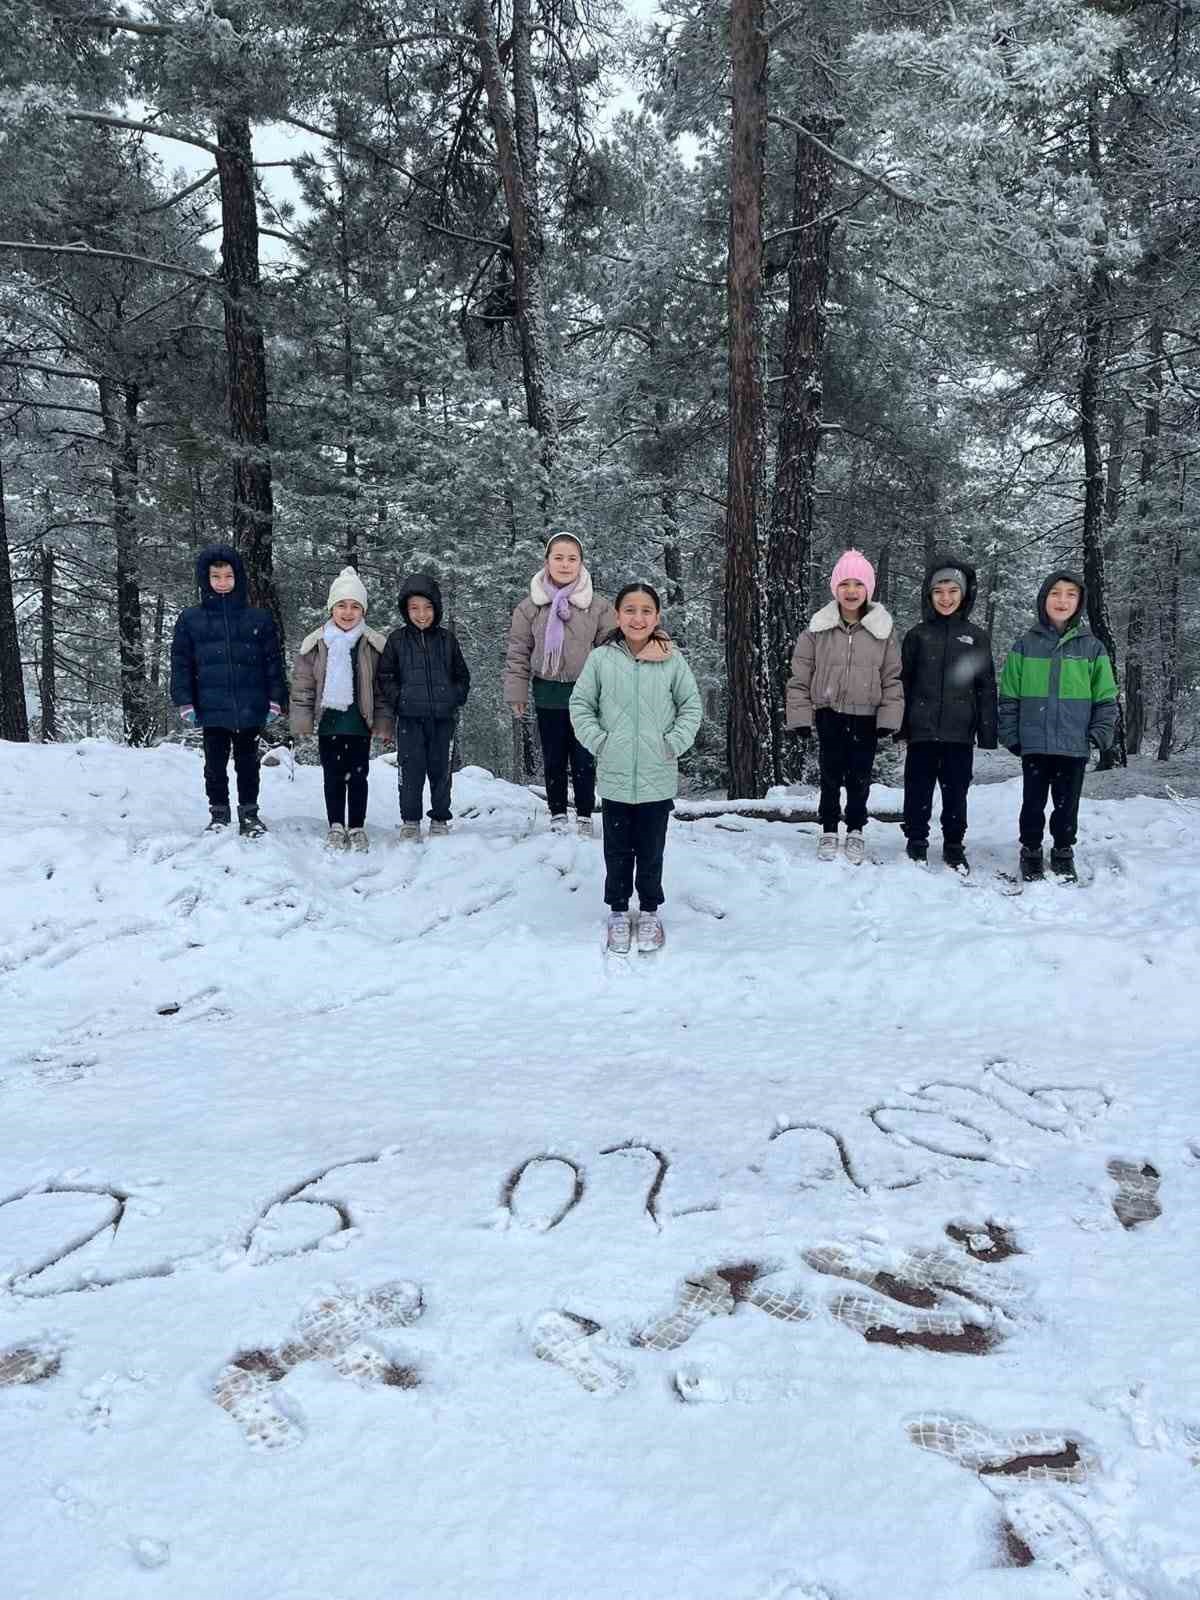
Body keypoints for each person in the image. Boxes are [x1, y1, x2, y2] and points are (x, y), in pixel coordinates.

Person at [569, 582, 701, 954]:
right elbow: (581, 706)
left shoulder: (672, 660)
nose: (638, 617)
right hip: (614, 777)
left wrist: (672, 743)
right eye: (630, 610)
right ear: (617, 616)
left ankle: (648, 910)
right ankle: (616, 909)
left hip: (658, 779)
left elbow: (691, 706)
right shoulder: (601, 659)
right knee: (617, 850)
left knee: (651, 849)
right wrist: (601, 741)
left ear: (657, 617)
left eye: (646, 610)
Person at [998, 568, 1117, 882]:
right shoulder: (1025, 645)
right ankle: (1031, 850)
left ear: (1079, 602)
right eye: (1055, 593)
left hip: (1073, 743)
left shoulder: (1092, 648)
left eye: (1070, 594)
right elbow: (1008, 695)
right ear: (1044, 599)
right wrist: (1010, 733)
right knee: (1033, 804)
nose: (1062, 600)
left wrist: (1098, 735)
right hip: (1034, 743)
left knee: (1067, 807)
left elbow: (1106, 697)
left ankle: (1063, 850)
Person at [785, 550, 903, 864]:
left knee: (859, 777)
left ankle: (855, 829)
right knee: (830, 774)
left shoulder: (883, 631)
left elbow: (892, 677)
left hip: (866, 715)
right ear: (835, 588)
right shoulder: (817, 629)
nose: (851, 591)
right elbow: (800, 676)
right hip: (829, 713)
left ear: (869, 589)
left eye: (858, 584)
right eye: (845, 583)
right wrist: (800, 716)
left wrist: (890, 717)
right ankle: (827, 827)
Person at [503, 533, 617, 837]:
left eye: (572, 558)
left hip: (586, 695)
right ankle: (556, 812)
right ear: (547, 562)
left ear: (581, 563)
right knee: (553, 756)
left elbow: (612, 651)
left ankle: (583, 814)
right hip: (547, 692)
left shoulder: (598, 606)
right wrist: (517, 692)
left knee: (583, 756)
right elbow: (518, 651)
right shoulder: (530, 607)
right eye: (559, 558)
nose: (565, 564)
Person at [170, 543, 286, 837]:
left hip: (250, 706)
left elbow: (273, 662)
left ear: (239, 578)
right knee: (215, 766)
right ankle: (218, 813)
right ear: (205, 579)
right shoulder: (191, 620)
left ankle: (249, 813)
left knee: (248, 765)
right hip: (211, 708)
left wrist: (275, 700)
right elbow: (181, 663)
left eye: (228, 576)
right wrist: (185, 701)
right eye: (216, 577)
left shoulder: (257, 619)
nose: (222, 583)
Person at [898, 555, 998, 873]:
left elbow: (986, 686)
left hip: (959, 732)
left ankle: (954, 845)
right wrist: (901, 725)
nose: (946, 598)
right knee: (918, 788)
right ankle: (916, 841)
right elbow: (904, 682)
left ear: (964, 594)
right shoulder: (917, 635)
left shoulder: (976, 637)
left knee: (956, 791)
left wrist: (987, 730)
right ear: (929, 595)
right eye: (939, 591)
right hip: (922, 730)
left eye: (953, 590)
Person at [290, 567, 394, 852]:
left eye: (355, 606)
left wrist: (383, 723)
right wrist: (302, 721)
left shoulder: (373, 644)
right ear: (331, 608)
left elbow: (381, 690)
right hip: (329, 723)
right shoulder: (316, 643)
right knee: (333, 775)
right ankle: (336, 824)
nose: (348, 612)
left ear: (363, 610)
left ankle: (357, 825)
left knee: (358, 776)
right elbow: (303, 686)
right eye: (341, 605)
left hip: (359, 723)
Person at [376, 574, 471, 841]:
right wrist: (401, 699)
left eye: (428, 607)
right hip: (409, 720)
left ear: (437, 609)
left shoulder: (447, 640)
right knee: (411, 770)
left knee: (441, 771)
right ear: (406, 610)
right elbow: (385, 676)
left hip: (443, 720)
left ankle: (440, 817)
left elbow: (462, 676)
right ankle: (410, 820)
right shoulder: (397, 640)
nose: (421, 614)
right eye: (415, 608)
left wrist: (454, 697)